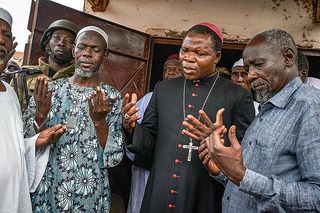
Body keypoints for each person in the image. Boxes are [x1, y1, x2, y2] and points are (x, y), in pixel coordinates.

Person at [122, 22, 255, 213]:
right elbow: (148, 139)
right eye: (185, 50)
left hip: (206, 192)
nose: (188, 59)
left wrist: (217, 143)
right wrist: (131, 127)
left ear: (217, 57)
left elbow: (246, 151)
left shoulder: (238, 96)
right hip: (161, 189)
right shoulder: (163, 89)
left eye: (200, 54)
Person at [201, 29, 320, 212]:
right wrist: (222, 169)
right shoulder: (269, 106)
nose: (250, 75)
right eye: (248, 68)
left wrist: (242, 177)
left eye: (258, 65)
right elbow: (252, 176)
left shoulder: (311, 108)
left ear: (288, 57)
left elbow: (316, 197)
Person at [23, 26, 124, 212]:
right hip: (48, 186)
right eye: (82, 47)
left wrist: (100, 123)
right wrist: (40, 116)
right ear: (74, 49)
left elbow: (114, 157)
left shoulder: (112, 98)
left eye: (95, 49)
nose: (87, 54)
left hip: (90, 192)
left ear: (105, 55)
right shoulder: (49, 90)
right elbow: (25, 144)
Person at [0, 7, 66, 212]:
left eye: (6, 35)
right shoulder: (21, 77)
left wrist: (36, 140)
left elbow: (12, 148)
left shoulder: (8, 93)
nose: (2, 40)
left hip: (10, 198)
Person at [127, 53, 183, 213]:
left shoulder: (192, 98)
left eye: (175, 69)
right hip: (147, 164)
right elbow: (135, 129)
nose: (170, 72)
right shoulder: (149, 98)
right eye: (167, 69)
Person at [15, 19, 78, 109]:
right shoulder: (24, 74)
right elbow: (11, 112)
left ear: (75, 50)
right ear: (47, 44)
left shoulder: (78, 81)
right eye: (56, 38)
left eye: (69, 41)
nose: (61, 43)